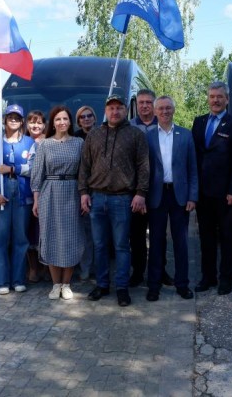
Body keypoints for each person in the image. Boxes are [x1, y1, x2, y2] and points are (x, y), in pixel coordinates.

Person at [79, 94, 150, 307]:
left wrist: (141, 193)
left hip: (122, 199)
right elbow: (84, 166)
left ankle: (121, 287)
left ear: (126, 110)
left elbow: (143, 166)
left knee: (121, 246)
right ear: (105, 110)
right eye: (111, 108)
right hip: (97, 197)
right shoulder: (94, 135)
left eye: (119, 108)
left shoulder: (135, 134)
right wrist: (83, 192)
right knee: (100, 245)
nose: (115, 111)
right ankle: (102, 284)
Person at [191, 81, 232, 295]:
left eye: (219, 97)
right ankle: (208, 277)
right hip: (203, 194)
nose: (215, 100)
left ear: (226, 100)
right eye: (212, 96)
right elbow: (194, 157)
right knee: (206, 238)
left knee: (228, 237)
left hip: (226, 195)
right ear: (208, 98)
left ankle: (226, 278)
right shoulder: (199, 122)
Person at [144, 96, 198, 301]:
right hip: (156, 196)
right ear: (155, 111)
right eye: (161, 108)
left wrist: (193, 196)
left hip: (180, 195)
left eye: (168, 108)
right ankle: (154, 286)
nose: (165, 111)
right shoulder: (147, 136)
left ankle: (182, 284)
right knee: (156, 242)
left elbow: (193, 168)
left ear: (173, 110)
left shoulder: (185, 135)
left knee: (181, 242)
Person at [31, 105, 85, 300]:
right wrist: (36, 200)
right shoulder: (44, 144)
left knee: (70, 239)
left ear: (70, 122)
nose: (62, 122)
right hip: (49, 193)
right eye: (58, 119)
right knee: (51, 237)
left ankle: (67, 284)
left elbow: (84, 172)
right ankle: (55, 284)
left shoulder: (79, 143)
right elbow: (37, 174)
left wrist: (84, 195)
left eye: (65, 119)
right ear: (52, 123)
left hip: (72, 192)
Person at [0, 104, 35, 295]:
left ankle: (18, 279)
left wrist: (14, 169)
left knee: (21, 239)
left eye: (17, 117)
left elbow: (35, 168)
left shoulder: (29, 143)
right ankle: (2, 281)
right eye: (10, 116)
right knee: (1, 239)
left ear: (22, 121)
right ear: (4, 120)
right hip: (0, 197)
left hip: (22, 196)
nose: (13, 120)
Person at [128, 88, 172, 287]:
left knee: (158, 235)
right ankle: (137, 272)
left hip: (158, 193)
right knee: (136, 237)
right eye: (141, 102)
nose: (144, 106)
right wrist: (138, 192)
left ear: (154, 106)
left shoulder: (163, 126)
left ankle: (160, 271)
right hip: (135, 193)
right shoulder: (128, 128)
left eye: (148, 102)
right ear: (136, 105)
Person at [73, 105, 97, 281]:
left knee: (101, 235)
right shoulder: (74, 138)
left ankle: (100, 268)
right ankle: (86, 268)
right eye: (82, 117)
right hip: (81, 190)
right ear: (78, 120)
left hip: (100, 189)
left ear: (95, 118)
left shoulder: (103, 134)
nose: (86, 119)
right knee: (85, 233)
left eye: (89, 115)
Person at [25, 110, 48, 284]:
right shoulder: (23, 143)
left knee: (45, 232)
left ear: (44, 125)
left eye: (39, 122)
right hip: (25, 194)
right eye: (32, 122)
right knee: (30, 233)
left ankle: (46, 267)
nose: (35, 125)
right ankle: (33, 267)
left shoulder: (49, 142)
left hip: (46, 193)